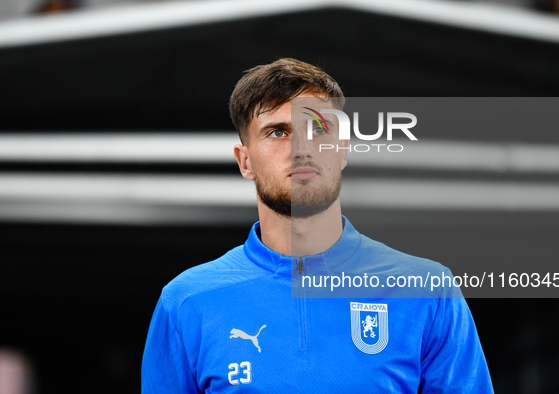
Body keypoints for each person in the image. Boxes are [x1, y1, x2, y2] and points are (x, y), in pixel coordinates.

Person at [141, 58, 494, 393]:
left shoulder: (428, 291)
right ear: (245, 161)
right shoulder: (186, 302)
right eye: (278, 133)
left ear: (342, 150)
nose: (301, 148)